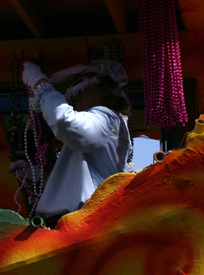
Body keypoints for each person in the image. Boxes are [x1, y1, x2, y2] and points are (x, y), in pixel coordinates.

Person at [21, 59, 131, 224]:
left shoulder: (105, 117)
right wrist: (39, 175)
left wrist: (40, 83)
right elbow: (86, 177)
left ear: (104, 87)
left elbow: (63, 120)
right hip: (83, 223)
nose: (76, 94)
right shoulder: (109, 123)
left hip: (84, 225)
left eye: (83, 85)